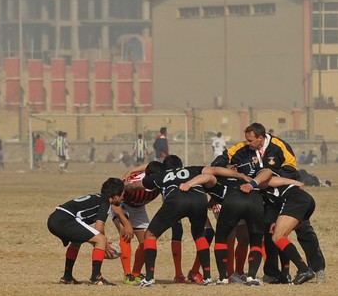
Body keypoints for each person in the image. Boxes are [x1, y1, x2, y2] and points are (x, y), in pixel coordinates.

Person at [211, 122, 325, 284]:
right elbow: (220, 161)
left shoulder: (278, 146)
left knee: (304, 231)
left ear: (261, 138)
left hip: (285, 191)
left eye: (251, 140)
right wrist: (232, 173)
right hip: (266, 197)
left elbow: (290, 168)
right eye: (246, 140)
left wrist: (264, 179)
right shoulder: (242, 148)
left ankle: (318, 268)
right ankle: (274, 273)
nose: (248, 143)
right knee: (268, 230)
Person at [138, 155, 223, 287]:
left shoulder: (161, 176)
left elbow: (136, 185)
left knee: (152, 234)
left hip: (176, 202)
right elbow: (214, 173)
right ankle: (197, 276)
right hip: (198, 200)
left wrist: (128, 176)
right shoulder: (192, 170)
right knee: (198, 235)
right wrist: (240, 175)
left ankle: (151, 278)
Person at [47, 177, 125, 286]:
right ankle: (96, 277)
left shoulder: (97, 198)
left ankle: (67, 277)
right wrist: (104, 245)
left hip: (54, 218)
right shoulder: (105, 202)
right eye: (122, 195)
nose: (123, 198)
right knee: (101, 239)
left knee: (77, 242)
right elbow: (99, 228)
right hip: (65, 219)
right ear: (116, 196)